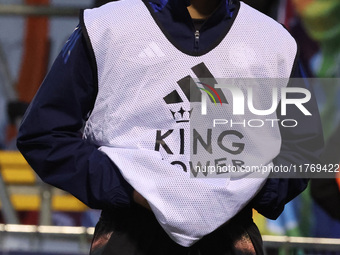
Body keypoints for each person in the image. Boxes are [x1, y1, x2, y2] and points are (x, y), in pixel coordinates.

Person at [17, 0, 324, 254]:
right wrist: (127, 187)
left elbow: (304, 150)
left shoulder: (274, 41)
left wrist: (248, 189)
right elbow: (44, 135)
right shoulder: (107, 26)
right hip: (129, 234)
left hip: (231, 238)